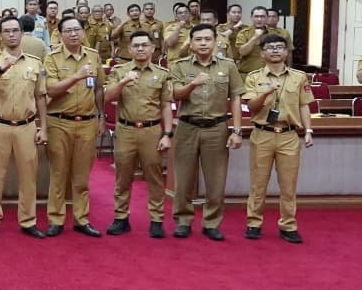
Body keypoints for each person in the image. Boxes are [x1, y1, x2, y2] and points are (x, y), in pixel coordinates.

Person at [169, 24, 244, 241]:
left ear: (215, 42)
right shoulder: (179, 66)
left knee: (216, 181)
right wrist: (193, 83)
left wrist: (236, 130)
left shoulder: (228, 66)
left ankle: (211, 222)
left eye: (207, 39)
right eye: (198, 39)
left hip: (217, 129)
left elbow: (236, 98)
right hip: (187, 127)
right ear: (191, 43)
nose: (203, 43)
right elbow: (175, 95)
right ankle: (183, 221)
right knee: (183, 179)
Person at [0, 16, 48, 239]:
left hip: (26, 127)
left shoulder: (34, 63)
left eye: (15, 30)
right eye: (6, 31)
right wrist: (0, 70)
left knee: (29, 177)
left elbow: (40, 97)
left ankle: (28, 220)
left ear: (21, 33)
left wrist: (43, 127)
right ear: (0, 35)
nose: (11, 34)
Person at [242, 35, 314, 243]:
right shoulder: (254, 77)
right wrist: (265, 94)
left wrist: (308, 130)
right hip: (262, 134)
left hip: (289, 135)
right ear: (262, 53)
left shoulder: (299, 77)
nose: (275, 50)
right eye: (270, 47)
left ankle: (288, 225)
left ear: (286, 52)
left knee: (288, 185)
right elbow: (251, 107)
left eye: (280, 47)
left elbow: (303, 105)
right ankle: (254, 223)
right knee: (258, 183)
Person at [104, 31, 174, 238]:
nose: (140, 48)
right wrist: (123, 82)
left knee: (154, 177)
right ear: (130, 49)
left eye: (144, 45)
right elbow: (107, 97)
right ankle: (121, 218)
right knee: (123, 177)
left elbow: (166, 106)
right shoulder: (120, 71)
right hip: (126, 130)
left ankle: (156, 220)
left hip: (152, 131)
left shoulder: (162, 74)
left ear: (153, 48)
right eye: (136, 45)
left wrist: (167, 134)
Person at [43, 16, 104, 237]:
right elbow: (50, 89)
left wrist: (102, 116)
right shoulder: (52, 58)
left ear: (83, 32)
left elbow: (99, 88)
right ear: (60, 35)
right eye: (68, 30)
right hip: (59, 122)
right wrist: (76, 77)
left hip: (87, 122)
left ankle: (81, 219)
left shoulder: (94, 56)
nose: (73, 34)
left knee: (82, 176)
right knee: (58, 174)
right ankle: (56, 219)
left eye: (77, 29)